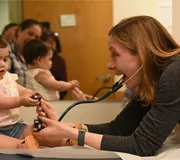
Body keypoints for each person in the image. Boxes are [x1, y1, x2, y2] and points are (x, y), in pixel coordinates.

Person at [33, 15, 180, 156]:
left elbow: (142, 145)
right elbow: (117, 129)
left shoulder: (174, 73)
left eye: (115, 54)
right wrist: (67, 127)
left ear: (143, 52)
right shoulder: (153, 80)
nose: (109, 65)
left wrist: (72, 134)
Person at [7, 19, 42, 87]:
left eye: (36, 37)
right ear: (19, 31)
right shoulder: (6, 50)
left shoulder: (34, 56)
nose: (32, 39)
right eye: (30, 34)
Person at [41, 31, 68, 99]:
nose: (49, 45)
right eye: (46, 42)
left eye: (51, 42)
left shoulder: (60, 61)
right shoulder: (36, 59)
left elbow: (63, 83)